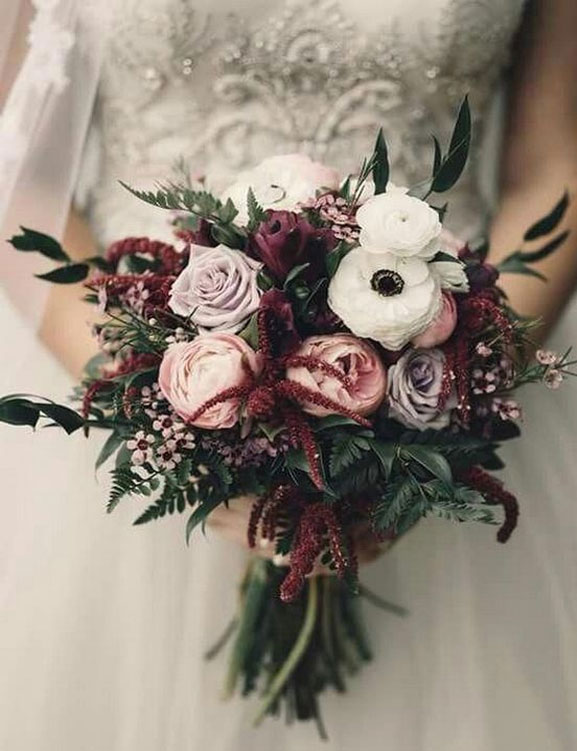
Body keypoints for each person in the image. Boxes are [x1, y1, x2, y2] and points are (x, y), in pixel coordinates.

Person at [1, 1, 576, 749]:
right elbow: (18, 169)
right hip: (126, 389)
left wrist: (456, 392)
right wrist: (165, 399)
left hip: (436, 425)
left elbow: (553, 165)